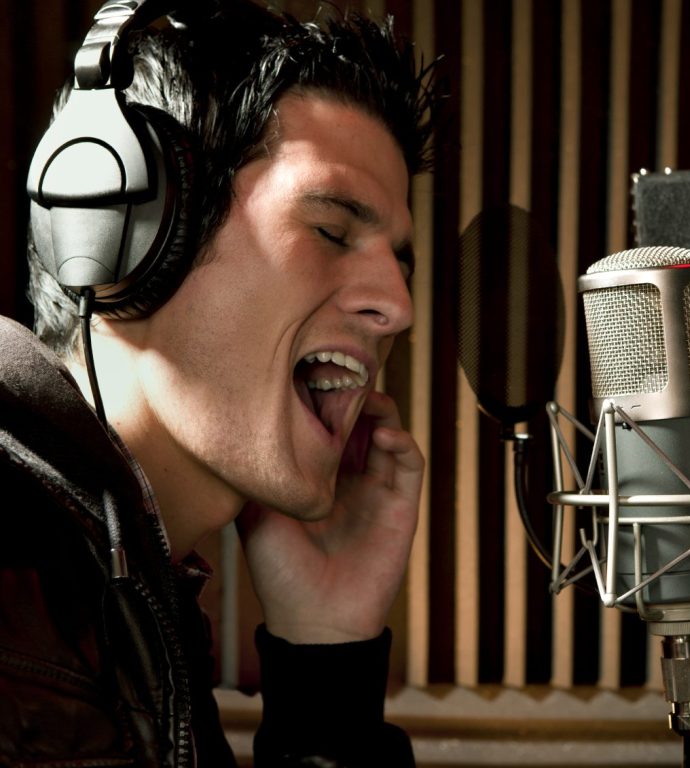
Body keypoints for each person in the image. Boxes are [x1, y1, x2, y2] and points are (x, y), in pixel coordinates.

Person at [0, 0, 442, 765]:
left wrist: (326, 658)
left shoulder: (130, 590)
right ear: (124, 228)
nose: (397, 308)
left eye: (400, 263)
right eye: (332, 230)